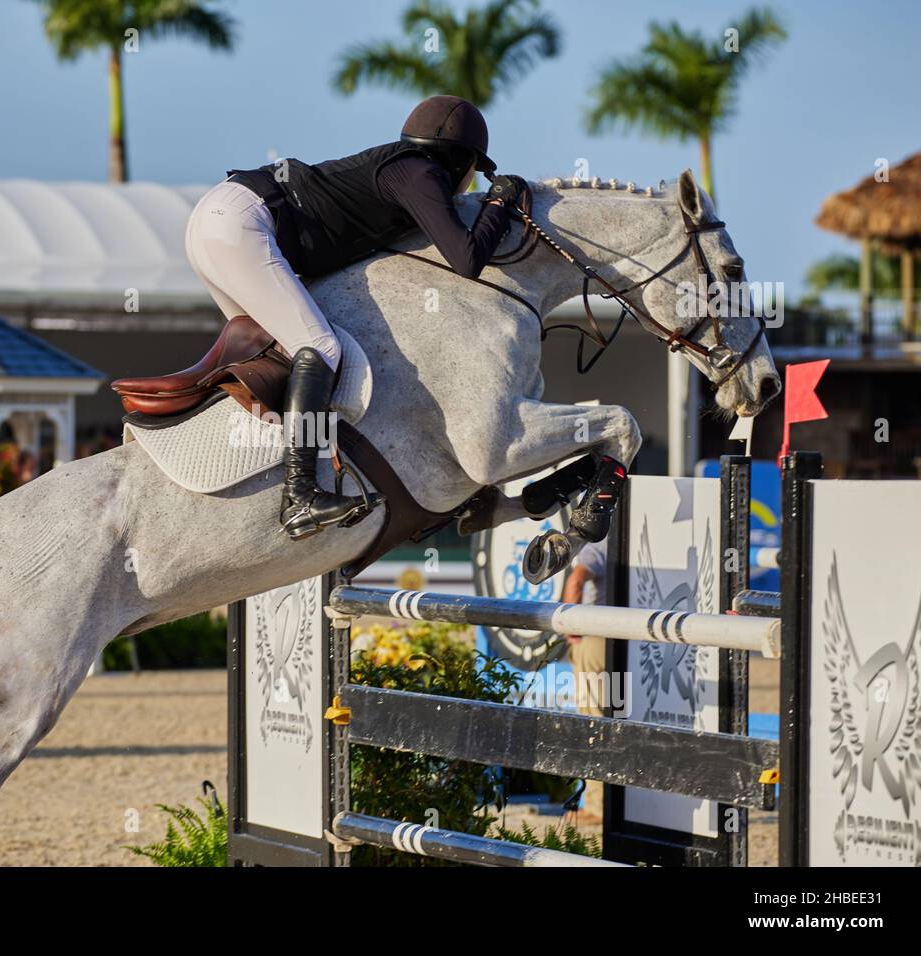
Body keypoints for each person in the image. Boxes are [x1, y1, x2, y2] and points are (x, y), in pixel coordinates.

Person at [185, 95, 523, 541]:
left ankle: (259, 475)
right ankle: (300, 494)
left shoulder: (402, 171)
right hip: (242, 224)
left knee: (279, 360)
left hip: (218, 219)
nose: (471, 182)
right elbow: (466, 258)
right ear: (461, 160)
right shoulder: (420, 174)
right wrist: (500, 202)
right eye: (475, 171)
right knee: (320, 347)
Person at [561, 537, 609, 819]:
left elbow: (576, 581)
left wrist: (572, 626)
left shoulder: (599, 545)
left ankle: (597, 807)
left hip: (596, 638)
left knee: (594, 720)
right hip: (632, 636)